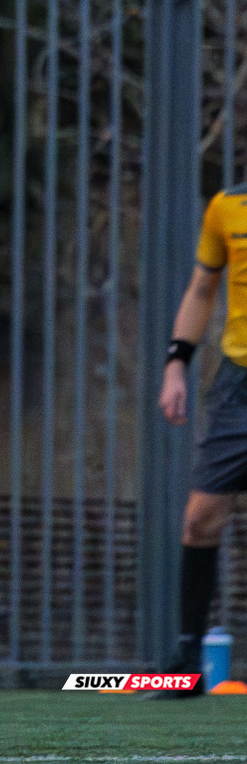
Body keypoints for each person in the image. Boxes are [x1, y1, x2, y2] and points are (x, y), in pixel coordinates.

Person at [149, 180, 247, 697]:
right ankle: (186, 661)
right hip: (238, 384)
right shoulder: (226, 206)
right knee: (200, 519)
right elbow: (201, 288)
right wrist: (174, 367)